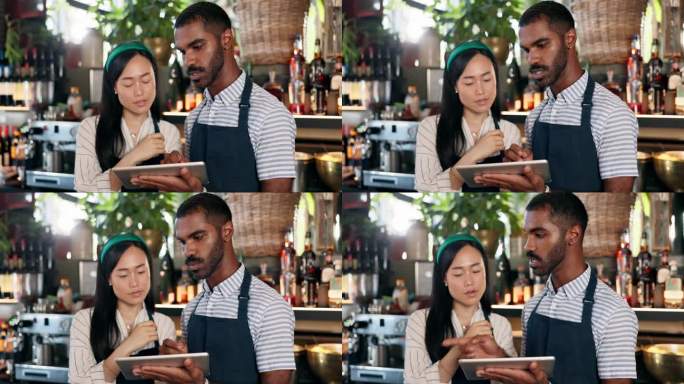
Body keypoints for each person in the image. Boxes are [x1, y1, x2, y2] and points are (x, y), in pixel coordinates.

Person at [130, 2, 296, 192]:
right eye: (183, 52)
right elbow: (198, 191)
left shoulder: (270, 116)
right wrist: (180, 172)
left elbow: (275, 200)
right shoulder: (194, 118)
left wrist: (195, 191)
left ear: (226, 39)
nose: (188, 61)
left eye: (198, 47)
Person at [473, 192, 638, 384]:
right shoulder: (532, 308)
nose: (528, 245)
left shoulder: (614, 313)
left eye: (539, 234)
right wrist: (500, 359)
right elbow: (528, 377)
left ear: (572, 235)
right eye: (528, 234)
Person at [475, 1, 638, 192]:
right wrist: (523, 170)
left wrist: (539, 191)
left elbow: (616, 198)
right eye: (527, 50)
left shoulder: (613, 115)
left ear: (569, 39)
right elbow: (541, 184)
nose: (532, 59)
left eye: (542, 45)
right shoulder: (535, 117)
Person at [134, 193, 295, 383]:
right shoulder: (191, 310)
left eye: (198, 237)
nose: (189, 251)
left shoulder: (270, 308)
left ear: (226, 232)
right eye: (183, 242)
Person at [404, 234, 516, 383]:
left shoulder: (500, 325)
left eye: (476, 271)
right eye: (458, 274)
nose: (469, 281)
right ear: (444, 278)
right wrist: (460, 348)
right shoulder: (420, 322)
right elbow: (413, 381)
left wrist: (499, 356)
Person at [75, 41, 183, 192]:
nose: (139, 92)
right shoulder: (90, 128)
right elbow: (84, 188)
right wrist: (135, 155)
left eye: (146, 80)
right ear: (114, 87)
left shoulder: (169, 132)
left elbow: (172, 191)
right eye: (128, 84)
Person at [69, 233, 176, 383]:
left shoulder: (163, 324)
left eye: (141, 271)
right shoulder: (84, 321)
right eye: (123, 275)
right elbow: (78, 381)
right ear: (108, 279)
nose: (134, 283)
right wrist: (129, 345)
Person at [415, 40, 521, 192]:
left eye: (486, 79)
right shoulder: (430, 128)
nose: (481, 90)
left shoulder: (509, 131)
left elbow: (509, 192)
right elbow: (425, 190)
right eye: (469, 83)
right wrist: (476, 153)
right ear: (455, 86)